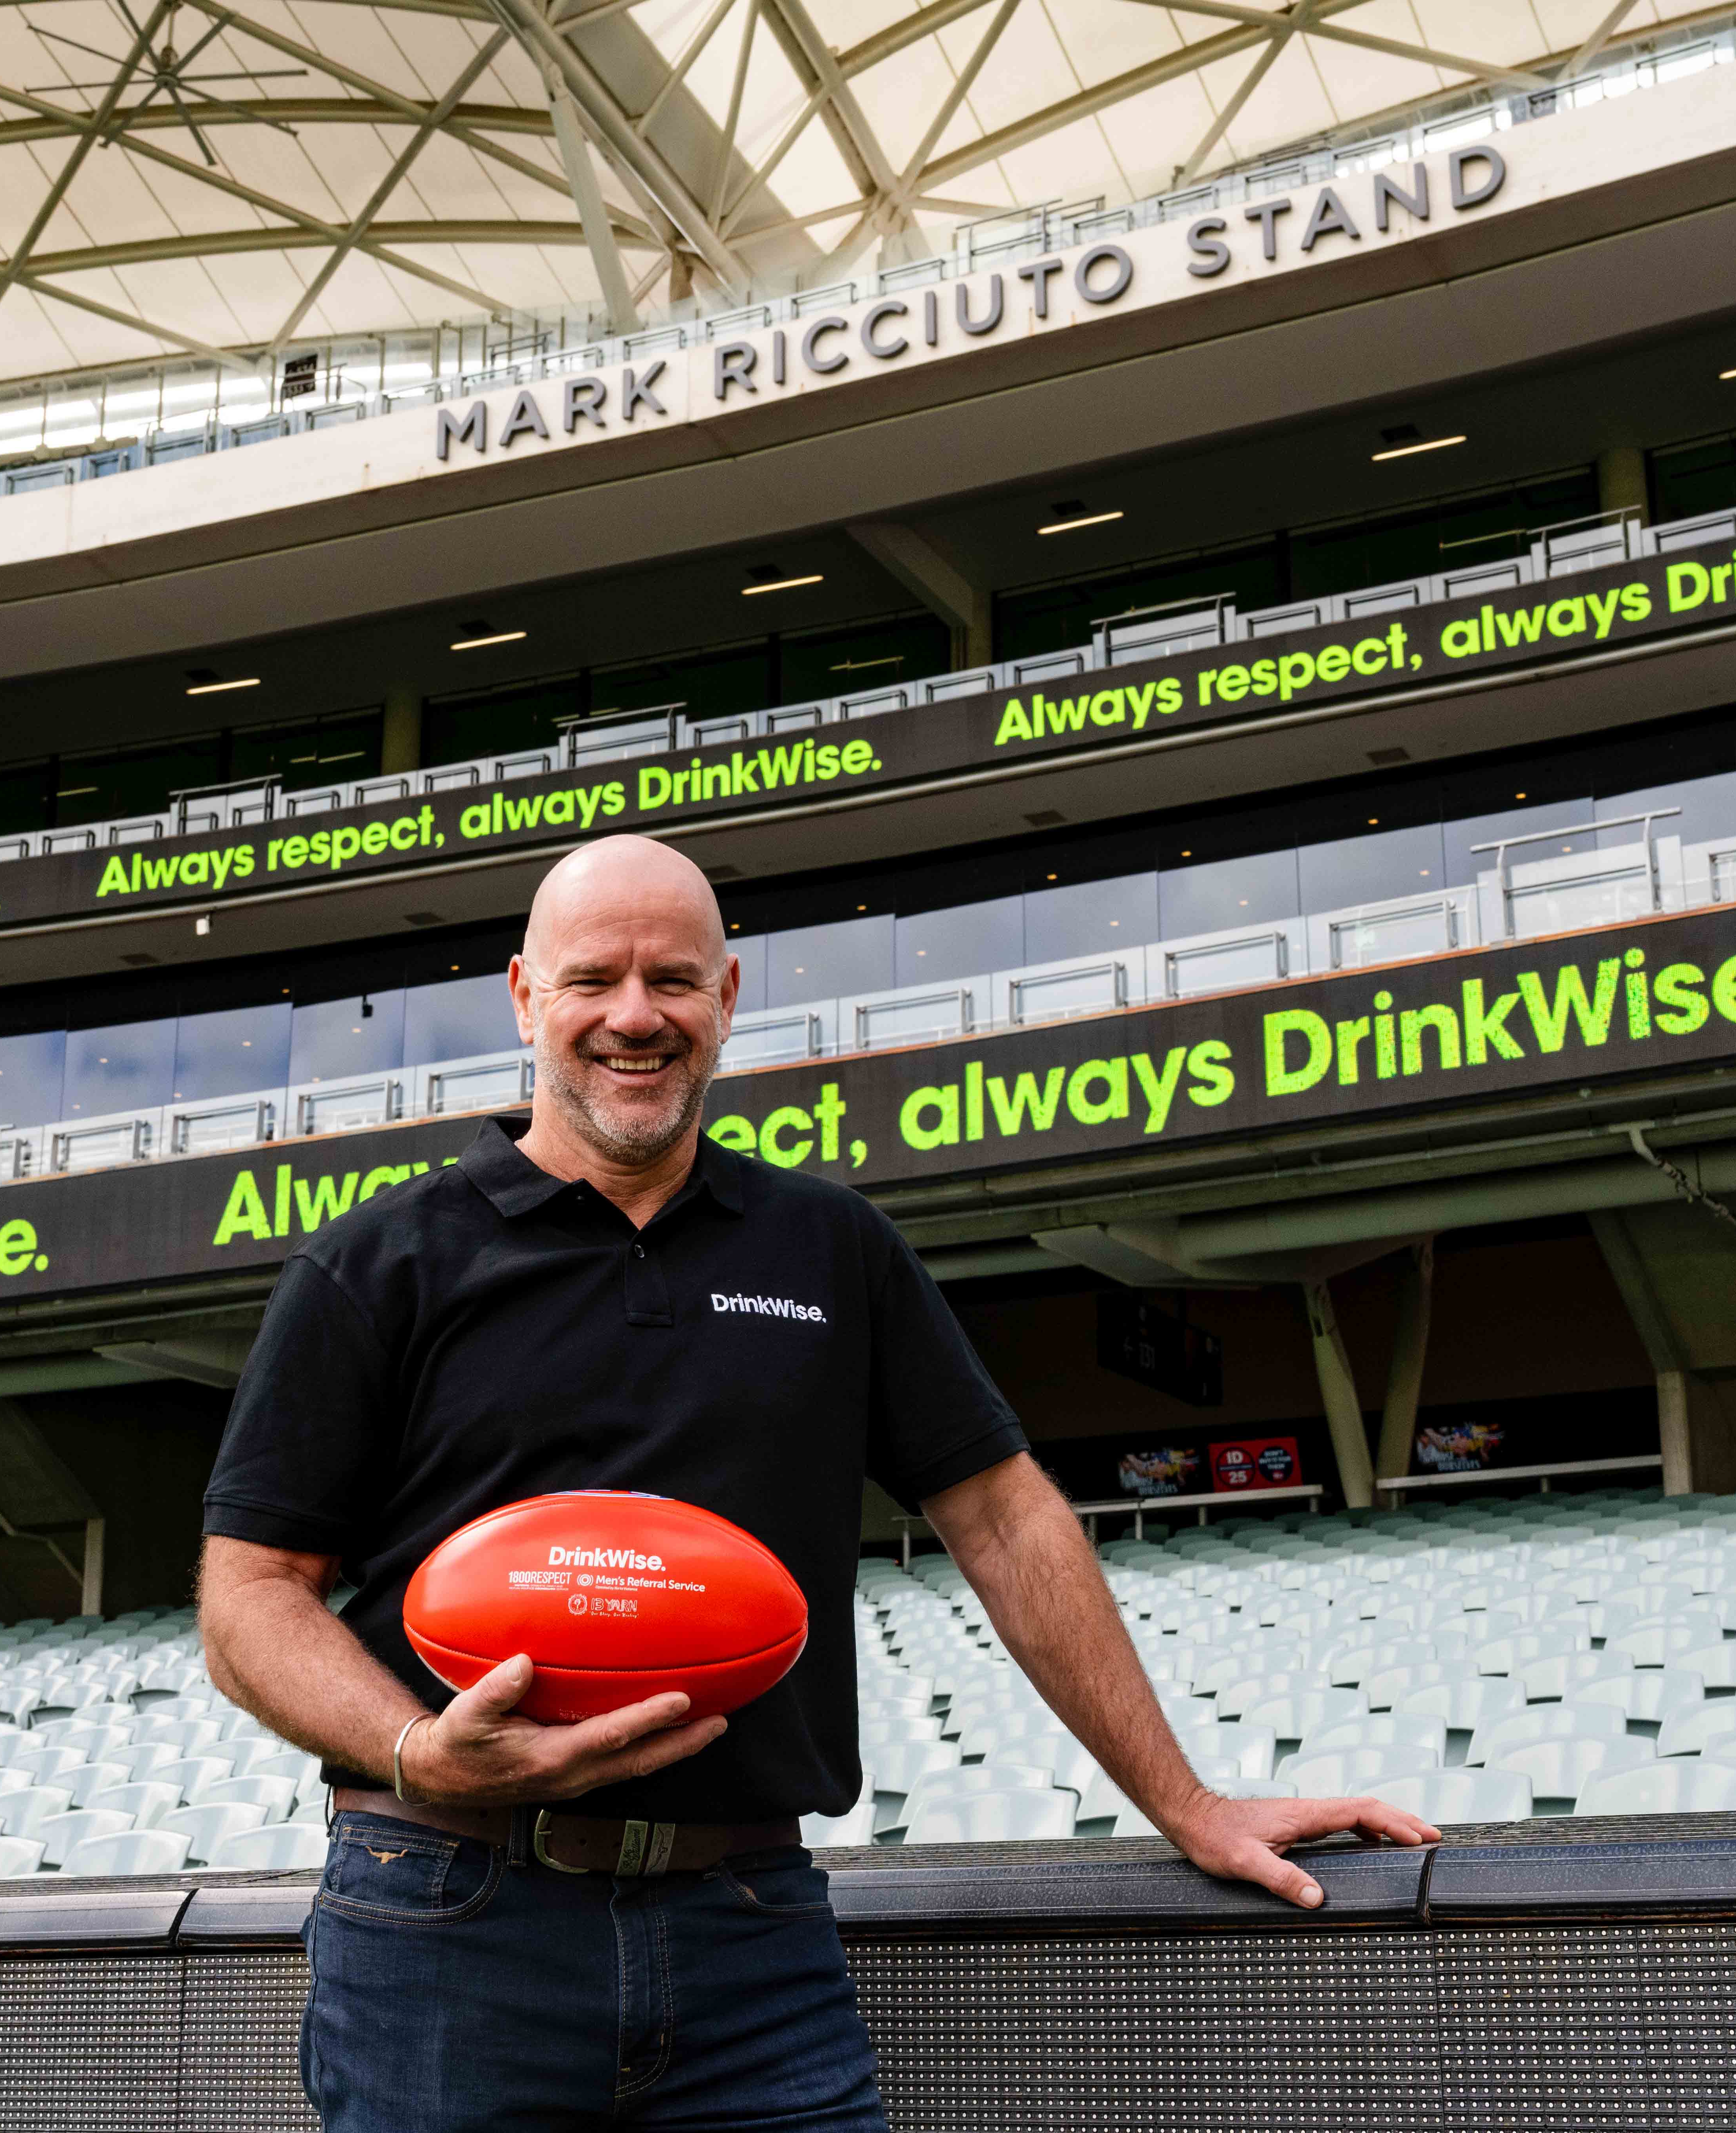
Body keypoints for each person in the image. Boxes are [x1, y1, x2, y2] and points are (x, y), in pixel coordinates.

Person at [198, 834, 1436, 2132]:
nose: (636, 1016)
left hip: (750, 1926)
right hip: (446, 1915)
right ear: (524, 996)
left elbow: (1006, 1517)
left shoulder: (832, 1247)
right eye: (592, 981)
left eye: (674, 980)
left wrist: (1186, 1801)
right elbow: (251, 1598)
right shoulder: (379, 1262)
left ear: (727, 998)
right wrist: (417, 1750)